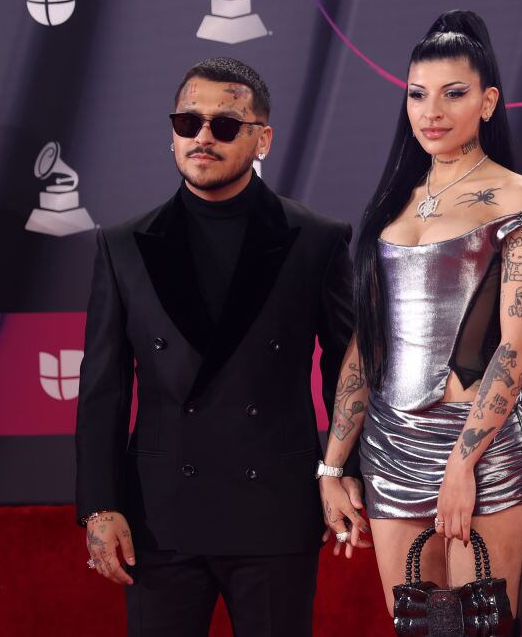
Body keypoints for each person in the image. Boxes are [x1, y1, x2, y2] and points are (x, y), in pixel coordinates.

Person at [317, 11, 522, 635]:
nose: (430, 110)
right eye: (417, 94)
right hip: (388, 446)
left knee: (482, 625)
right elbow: (367, 346)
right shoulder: (396, 199)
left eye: (453, 93)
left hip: (480, 447)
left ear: (488, 102)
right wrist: (334, 467)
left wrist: (462, 465)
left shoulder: (517, 197)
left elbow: (519, 344)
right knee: (416, 624)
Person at [74, 57, 364, 637]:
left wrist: (344, 471)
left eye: (225, 125)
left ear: (263, 139)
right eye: (189, 122)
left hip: (275, 511)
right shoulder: (124, 245)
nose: (203, 137)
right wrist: (100, 505)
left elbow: (347, 370)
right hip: (160, 517)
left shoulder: (316, 239)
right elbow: (104, 385)